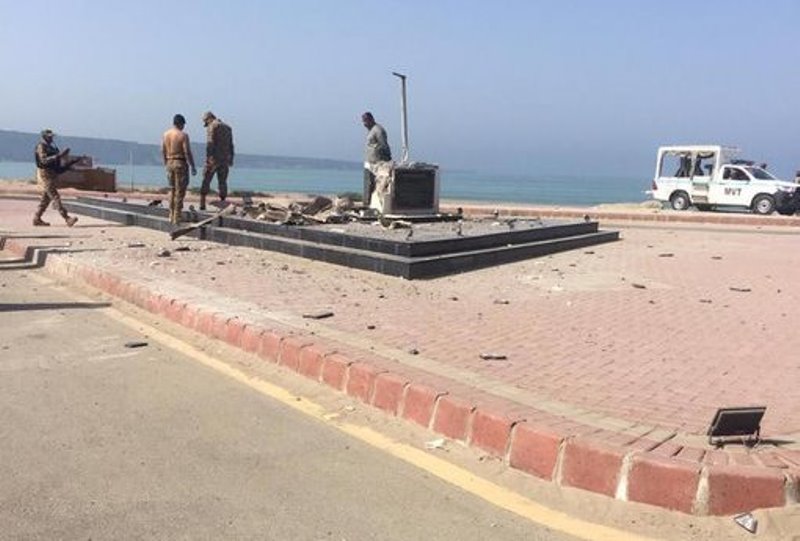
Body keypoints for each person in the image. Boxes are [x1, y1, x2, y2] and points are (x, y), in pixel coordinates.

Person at [32, 129, 79, 227]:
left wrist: (70, 163)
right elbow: (44, 161)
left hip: (53, 174)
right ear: (44, 137)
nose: (51, 138)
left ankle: (37, 218)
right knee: (55, 197)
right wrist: (59, 155)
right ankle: (67, 218)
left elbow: (57, 167)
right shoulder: (41, 146)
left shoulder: (52, 147)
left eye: (52, 137)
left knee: (45, 199)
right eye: (49, 137)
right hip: (46, 175)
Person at [161, 114, 196, 224]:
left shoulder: (166, 134)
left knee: (172, 189)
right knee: (180, 190)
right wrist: (192, 165)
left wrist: (166, 163)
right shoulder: (183, 135)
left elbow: (163, 150)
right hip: (180, 162)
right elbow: (187, 151)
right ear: (181, 124)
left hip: (169, 162)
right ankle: (177, 216)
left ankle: (171, 214)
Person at [200, 111, 234, 210]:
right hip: (224, 160)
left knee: (206, 180)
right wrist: (231, 158)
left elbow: (210, 144)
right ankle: (223, 203)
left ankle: (202, 203)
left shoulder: (212, 126)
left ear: (209, 119)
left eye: (206, 122)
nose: (206, 125)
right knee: (222, 182)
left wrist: (208, 159)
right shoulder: (228, 128)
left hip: (214, 159)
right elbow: (231, 145)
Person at [361, 112, 392, 205]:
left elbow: (384, 145)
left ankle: (374, 204)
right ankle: (368, 202)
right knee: (369, 184)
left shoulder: (378, 130)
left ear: (371, 120)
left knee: (377, 184)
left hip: (378, 162)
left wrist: (388, 159)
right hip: (370, 162)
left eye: (366, 121)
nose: (364, 124)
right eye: (363, 121)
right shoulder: (371, 131)